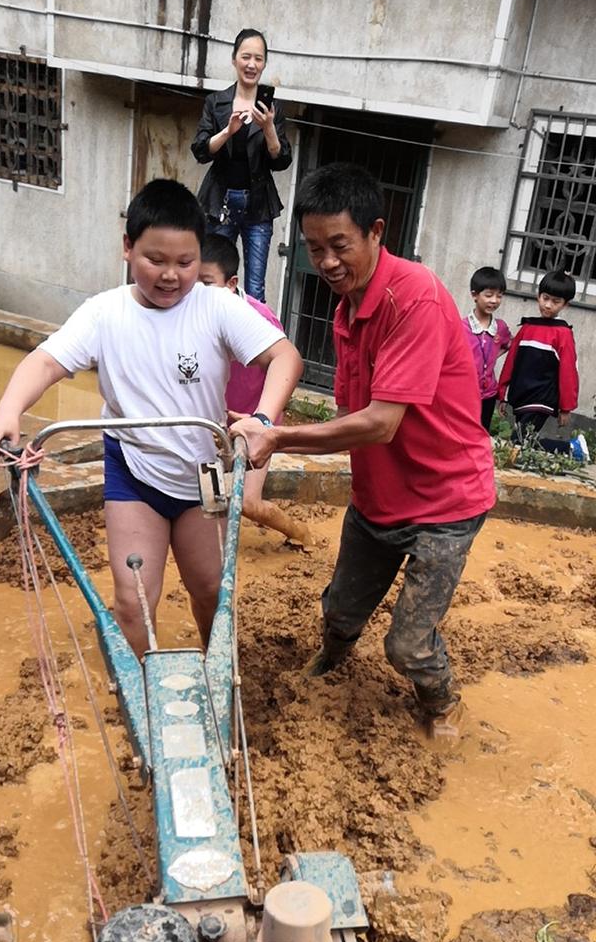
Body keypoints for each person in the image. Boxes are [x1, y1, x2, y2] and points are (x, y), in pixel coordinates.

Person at [0, 179, 302, 658]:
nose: (171, 275)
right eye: (156, 260)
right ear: (128, 248)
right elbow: (46, 362)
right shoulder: (103, 314)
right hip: (133, 473)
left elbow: (285, 357)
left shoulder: (216, 307)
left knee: (212, 591)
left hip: (202, 473)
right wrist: (9, 410)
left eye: (185, 263)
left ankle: (218, 679)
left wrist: (261, 416)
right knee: (133, 602)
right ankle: (139, 694)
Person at [230, 163, 496, 739]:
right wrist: (263, 422)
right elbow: (350, 417)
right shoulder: (348, 305)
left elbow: (378, 425)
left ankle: (442, 703)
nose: (325, 262)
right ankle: (334, 659)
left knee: (407, 644)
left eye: (339, 245)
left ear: (377, 231)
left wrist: (275, 437)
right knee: (340, 613)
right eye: (313, 247)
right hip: (380, 498)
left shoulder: (413, 298)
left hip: (445, 503)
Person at [199, 233, 312, 548]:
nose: (196, 294)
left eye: (206, 283)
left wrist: (263, 421)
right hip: (212, 425)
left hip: (254, 426)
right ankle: (213, 559)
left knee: (249, 502)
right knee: (208, 498)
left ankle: (300, 533)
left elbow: (285, 368)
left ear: (231, 283)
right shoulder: (187, 315)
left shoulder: (259, 318)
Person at [191, 27, 292, 302]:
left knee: (255, 290)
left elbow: (282, 160)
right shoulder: (216, 102)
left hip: (258, 206)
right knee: (213, 281)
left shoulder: (272, 108)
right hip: (219, 203)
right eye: (246, 56)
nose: (251, 64)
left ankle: (248, 345)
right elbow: (200, 151)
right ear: (234, 59)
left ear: (264, 63)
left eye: (258, 59)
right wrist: (227, 131)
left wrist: (269, 128)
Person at [497, 270, 579, 443]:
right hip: (521, 395)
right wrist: (502, 393)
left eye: (556, 302)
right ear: (538, 296)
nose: (548, 305)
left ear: (565, 305)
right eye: (545, 298)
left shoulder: (563, 333)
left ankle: (569, 448)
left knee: (518, 441)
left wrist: (566, 407)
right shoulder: (527, 328)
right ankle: (569, 449)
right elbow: (511, 361)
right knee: (524, 440)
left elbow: (568, 371)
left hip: (542, 398)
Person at [461, 267, 511, 432]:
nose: (494, 300)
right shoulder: (461, 327)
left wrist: (491, 359)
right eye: (488, 295)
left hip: (488, 394)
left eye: (499, 296)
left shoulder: (501, 328)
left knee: (481, 433)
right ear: (474, 295)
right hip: (465, 393)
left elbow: (508, 344)